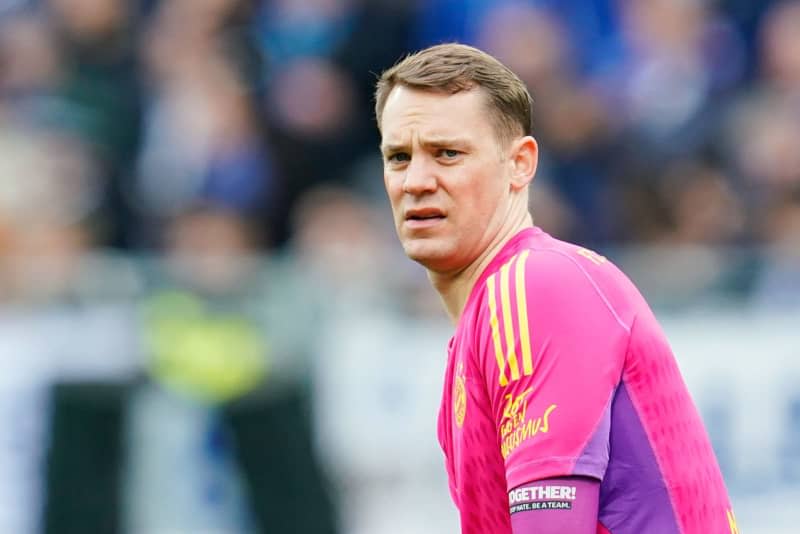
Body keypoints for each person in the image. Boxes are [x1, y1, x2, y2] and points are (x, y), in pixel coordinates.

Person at [374, 43, 736, 534]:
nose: (416, 181)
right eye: (398, 157)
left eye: (448, 154)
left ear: (520, 164)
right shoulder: (481, 326)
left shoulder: (533, 285)